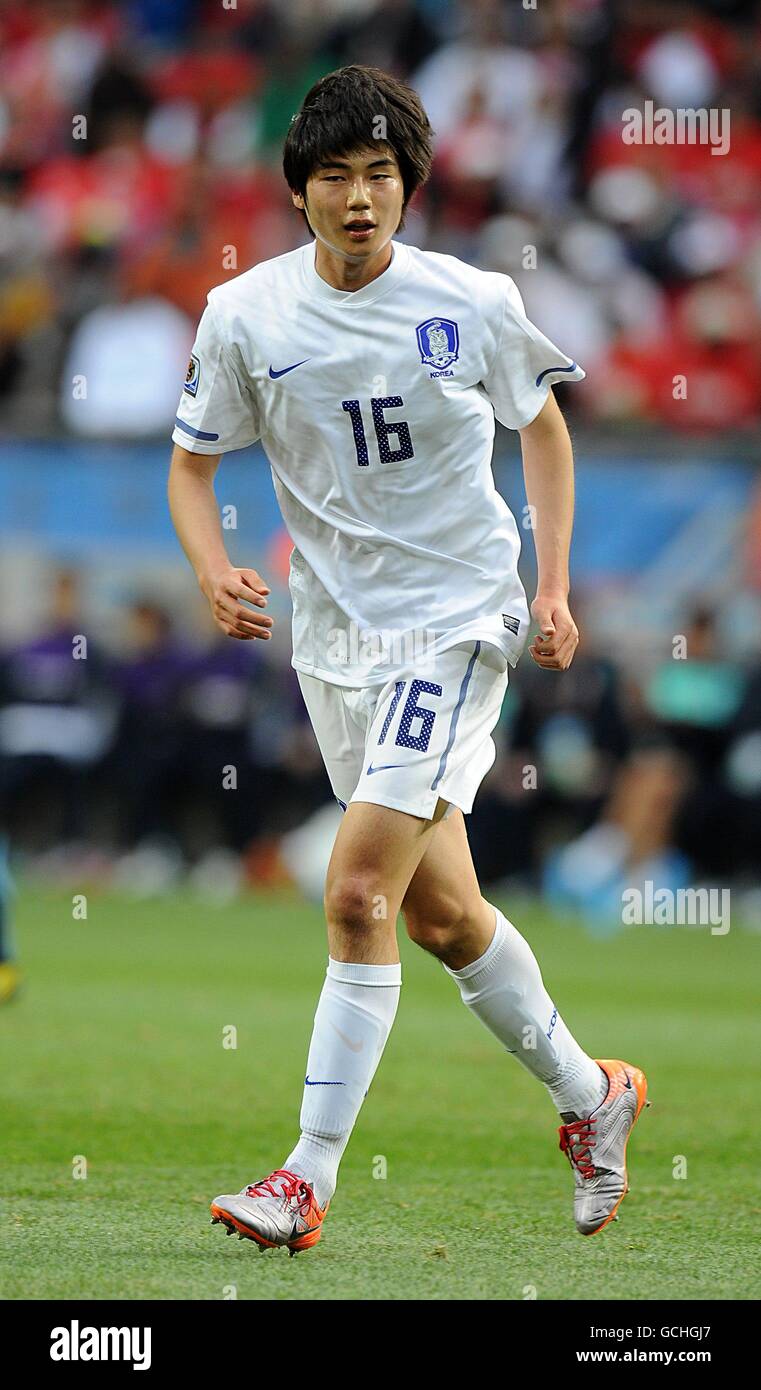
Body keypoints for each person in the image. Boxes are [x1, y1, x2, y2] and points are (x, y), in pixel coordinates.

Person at [167, 65, 648, 1255]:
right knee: (441, 916)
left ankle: (303, 1178)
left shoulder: (469, 301)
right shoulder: (245, 316)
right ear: (299, 192)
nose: (360, 197)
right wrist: (208, 567)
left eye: (381, 174)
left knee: (352, 892)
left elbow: (540, 425)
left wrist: (546, 586)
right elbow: (190, 464)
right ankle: (594, 1098)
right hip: (333, 643)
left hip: (453, 622)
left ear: (410, 186)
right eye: (334, 175)